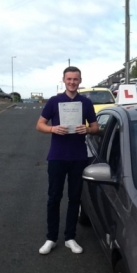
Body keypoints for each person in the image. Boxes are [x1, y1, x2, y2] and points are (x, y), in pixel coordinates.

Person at [36, 66, 98, 255]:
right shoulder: (54, 101)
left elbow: (95, 127)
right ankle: (51, 238)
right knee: (54, 198)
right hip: (57, 157)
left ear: (80, 81)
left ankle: (70, 237)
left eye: (75, 79)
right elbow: (39, 125)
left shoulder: (86, 103)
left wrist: (86, 130)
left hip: (78, 157)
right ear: (63, 80)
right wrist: (52, 129)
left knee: (74, 198)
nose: (72, 82)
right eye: (69, 79)